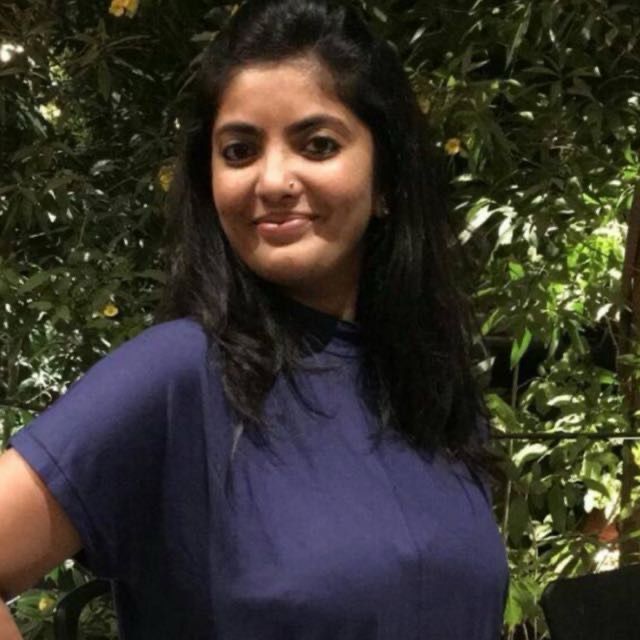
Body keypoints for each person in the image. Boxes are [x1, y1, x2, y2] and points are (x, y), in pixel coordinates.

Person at [0, 0, 509, 637]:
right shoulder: (179, 376)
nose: (272, 180)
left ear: (386, 180)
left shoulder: (432, 390)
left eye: (317, 145)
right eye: (239, 151)